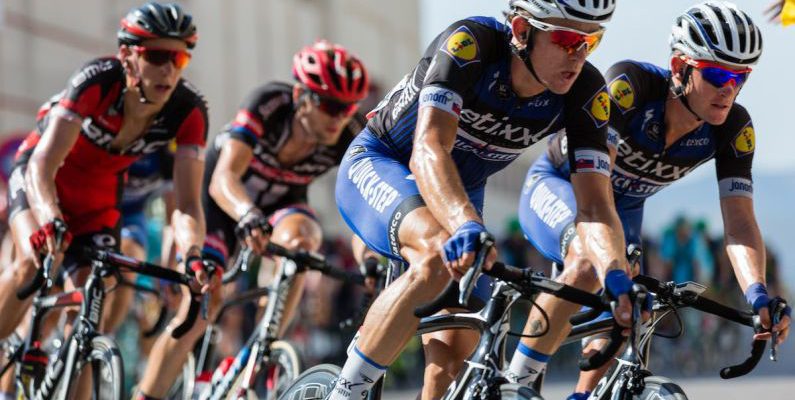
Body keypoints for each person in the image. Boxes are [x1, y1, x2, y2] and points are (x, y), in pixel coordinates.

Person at [332, 1, 634, 398]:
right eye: (566, 39)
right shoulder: (470, 44)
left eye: (590, 42)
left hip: (459, 190)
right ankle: (344, 393)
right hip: (388, 161)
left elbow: (595, 207)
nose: (578, 55)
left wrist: (615, 274)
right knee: (436, 257)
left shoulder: (586, 90)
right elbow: (429, 148)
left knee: (457, 352)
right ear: (523, 30)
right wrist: (466, 225)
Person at [512, 2, 791, 399]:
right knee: (590, 261)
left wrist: (759, 294)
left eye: (741, 77)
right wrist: (615, 256)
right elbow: (594, 193)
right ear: (679, 68)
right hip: (565, 187)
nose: (729, 88)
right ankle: (518, 381)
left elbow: (741, 224)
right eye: (716, 75)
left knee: (632, 307)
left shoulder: (734, 128)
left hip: (623, 211)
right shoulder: (631, 88)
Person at [0, 3, 213, 399]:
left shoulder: (189, 111)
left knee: (93, 306)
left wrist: (193, 253)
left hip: (97, 200)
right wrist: (48, 218)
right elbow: (42, 165)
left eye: (180, 57)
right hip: (42, 183)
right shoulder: (96, 81)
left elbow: (185, 205)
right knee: (32, 262)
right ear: (128, 55)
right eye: (157, 56)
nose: (169, 69)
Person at [197, 39, 369, 380]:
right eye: (328, 104)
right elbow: (223, 179)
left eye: (347, 107)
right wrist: (246, 214)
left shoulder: (348, 132)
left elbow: (365, 208)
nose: (339, 116)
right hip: (226, 200)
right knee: (205, 295)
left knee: (303, 245)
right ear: (300, 97)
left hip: (281, 204)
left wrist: (370, 259)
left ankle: (264, 346)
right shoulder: (268, 104)